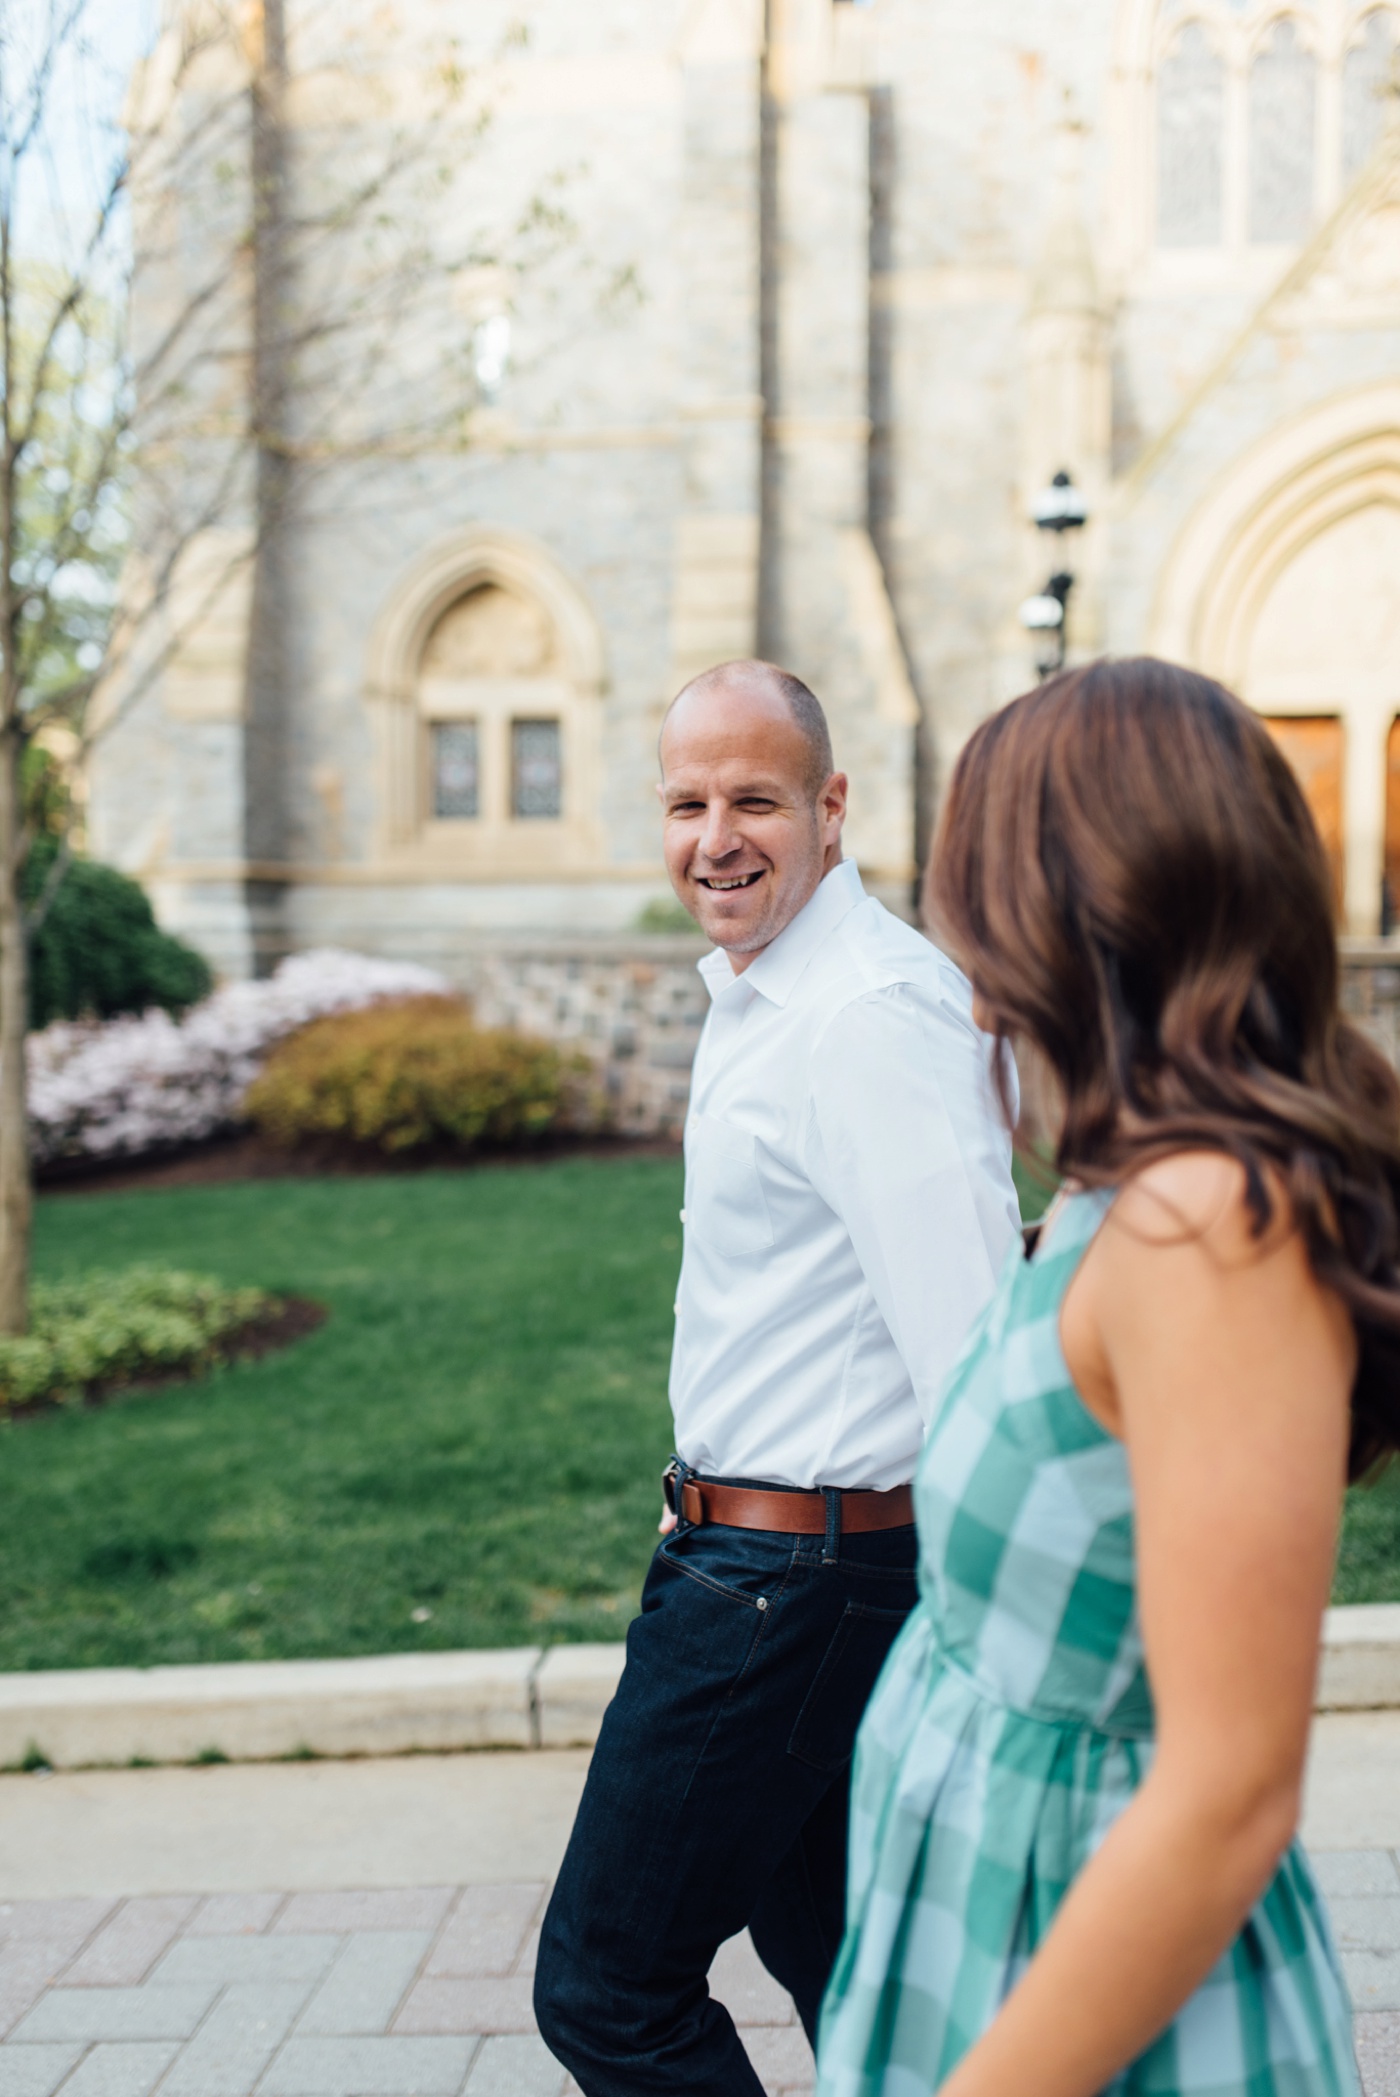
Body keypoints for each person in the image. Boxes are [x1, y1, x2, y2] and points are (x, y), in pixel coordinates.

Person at [817, 656, 1400, 2097]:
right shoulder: (1119, 1186)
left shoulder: (1211, 1230)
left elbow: (1228, 1792)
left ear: (1082, 910)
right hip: (998, 1936)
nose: (970, 987)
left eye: (980, 912)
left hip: (1110, 2019)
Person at [533, 659, 1021, 2095]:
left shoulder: (862, 1015)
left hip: (788, 1590)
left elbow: (973, 1342)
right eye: (687, 802)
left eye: (754, 798)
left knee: (609, 1988)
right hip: (759, 1558)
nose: (715, 836)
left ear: (831, 805)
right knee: (867, 1990)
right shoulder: (776, 992)